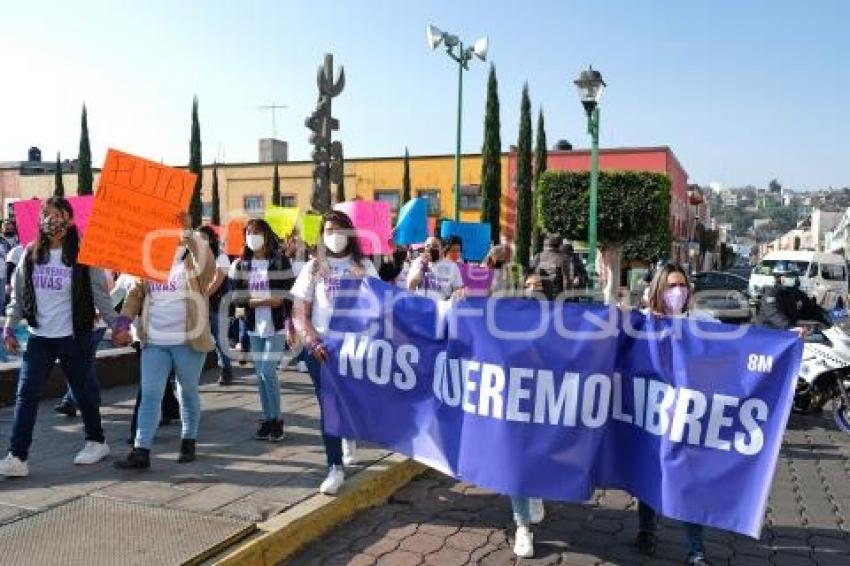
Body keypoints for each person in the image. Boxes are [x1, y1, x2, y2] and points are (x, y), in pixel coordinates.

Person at [0, 197, 120, 477]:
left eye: (56, 214)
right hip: (39, 337)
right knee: (26, 394)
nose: (49, 219)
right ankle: (17, 456)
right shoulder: (30, 254)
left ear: (68, 219)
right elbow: (18, 296)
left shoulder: (84, 256)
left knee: (83, 392)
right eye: (46, 214)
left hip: (74, 336)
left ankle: (97, 440)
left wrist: (119, 325)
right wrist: (9, 326)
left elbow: (101, 298)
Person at [113, 215, 215, 470]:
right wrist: (124, 321)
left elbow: (210, 268)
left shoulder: (192, 261)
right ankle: (141, 450)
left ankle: (188, 440)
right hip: (154, 341)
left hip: (187, 342)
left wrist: (189, 234)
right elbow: (135, 294)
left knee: (187, 391)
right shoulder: (149, 258)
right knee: (150, 394)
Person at [292, 210, 378, 495]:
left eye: (339, 229)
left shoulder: (363, 264)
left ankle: (349, 433)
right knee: (329, 406)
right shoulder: (314, 267)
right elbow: (299, 312)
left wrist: (365, 282)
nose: (334, 235)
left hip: (354, 349)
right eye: (328, 230)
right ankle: (334, 466)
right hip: (321, 349)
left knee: (349, 401)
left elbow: (381, 307)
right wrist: (312, 341)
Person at [634, 262, 711, 566]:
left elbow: (737, 341)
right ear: (658, 290)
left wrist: (785, 337)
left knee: (687, 478)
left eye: (682, 285)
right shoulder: (642, 322)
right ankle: (646, 530)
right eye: (671, 286)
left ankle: (696, 550)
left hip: (687, 412)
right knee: (650, 473)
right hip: (651, 410)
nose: (678, 291)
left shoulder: (701, 320)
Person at [229, 219, 293, 442]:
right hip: (253, 326)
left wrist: (281, 305)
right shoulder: (241, 265)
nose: (252, 236)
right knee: (259, 375)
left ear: (266, 235)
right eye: (248, 233)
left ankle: (277, 420)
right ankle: (266, 419)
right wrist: (262, 302)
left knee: (267, 371)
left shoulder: (280, 262)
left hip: (276, 326)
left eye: (256, 232)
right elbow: (236, 298)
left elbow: (288, 293)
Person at [511, 272, 553, 558]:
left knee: (538, 457)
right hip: (515, 403)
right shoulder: (510, 320)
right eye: (528, 287)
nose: (533, 291)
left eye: (538, 287)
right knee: (514, 464)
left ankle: (535, 492)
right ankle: (522, 527)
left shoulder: (562, 322)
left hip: (548, 403)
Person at [197, 226, 234, 386]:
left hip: (217, 304)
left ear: (211, 239)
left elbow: (217, 281)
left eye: (202, 238)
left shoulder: (221, 257)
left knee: (220, 339)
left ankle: (226, 368)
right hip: (199, 303)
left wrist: (201, 295)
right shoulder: (193, 256)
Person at [756, 269, 829, 333]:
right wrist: (790, 327)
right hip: (769, 330)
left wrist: (824, 317)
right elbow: (774, 314)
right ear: (780, 279)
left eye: (793, 277)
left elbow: (809, 308)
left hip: (789, 330)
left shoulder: (797, 293)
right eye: (788, 277)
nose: (792, 279)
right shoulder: (771, 294)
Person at [407, 236, 464, 301]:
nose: (431, 249)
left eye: (435, 246)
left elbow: (458, 290)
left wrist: (451, 299)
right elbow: (410, 286)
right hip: (421, 305)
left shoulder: (452, 266)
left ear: (442, 249)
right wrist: (423, 268)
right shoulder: (418, 262)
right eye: (428, 246)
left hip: (441, 307)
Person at [0, 219, 18, 309]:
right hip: (2, 274)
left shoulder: (19, 239)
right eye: (6, 228)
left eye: (10, 227)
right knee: (2, 298)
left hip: (17, 273)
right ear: (2, 229)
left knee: (14, 298)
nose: (9, 229)